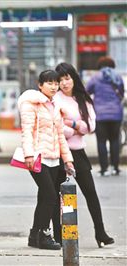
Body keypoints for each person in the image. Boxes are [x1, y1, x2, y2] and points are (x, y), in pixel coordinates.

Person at [55, 62, 114, 248]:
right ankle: (59, 235)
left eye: (67, 78)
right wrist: (75, 128)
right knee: (59, 197)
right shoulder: (54, 99)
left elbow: (91, 127)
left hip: (78, 153)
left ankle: (101, 232)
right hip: (59, 152)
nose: (64, 83)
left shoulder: (84, 99)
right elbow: (56, 127)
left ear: (73, 78)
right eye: (60, 80)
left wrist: (72, 124)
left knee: (91, 193)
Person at [17, 70, 74, 250]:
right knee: (49, 195)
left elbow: (60, 135)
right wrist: (28, 154)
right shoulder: (30, 104)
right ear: (40, 85)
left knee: (45, 196)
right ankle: (43, 234)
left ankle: (34, 236)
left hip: (54, 159)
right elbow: (26, 131)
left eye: (55, 83)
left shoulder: (55, 105)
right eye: (49, 83)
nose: (54, 86)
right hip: (37, 157)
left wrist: (68, 160)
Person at [86, 56, 124, 176]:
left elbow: (87, 91)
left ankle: (104, 169)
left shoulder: (95, 77)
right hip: (116, 114)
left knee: (101, 141)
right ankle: (115, 168)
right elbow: (122, 92)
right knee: (115, 140)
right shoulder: (117, 76)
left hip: (100, 114)